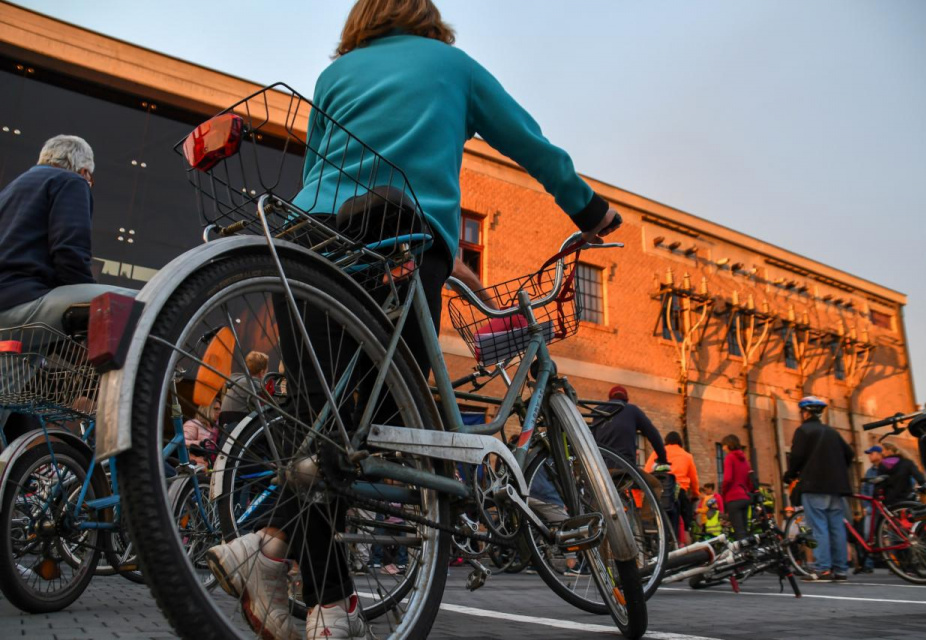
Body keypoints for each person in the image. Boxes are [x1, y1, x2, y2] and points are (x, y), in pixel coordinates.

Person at [205, 2, 623, 638]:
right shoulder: (452, 66)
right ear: (426, 17)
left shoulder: (333, 78)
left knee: (321, 421)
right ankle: (301, 584)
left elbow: (325, 167)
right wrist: (588, 210)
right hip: (399, 239)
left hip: (311, 243)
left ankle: (296, 579)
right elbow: (528, 142)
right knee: (380, 421)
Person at [0, 135, 136, 445]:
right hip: (25, 302)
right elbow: (70, 252)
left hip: (6, 313)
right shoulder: (70, 182)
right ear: (83, 170)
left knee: (5, 400)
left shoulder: (12, 189)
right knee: (138, 302)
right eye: (90, 176)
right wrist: (94, 315)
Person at [783, 396, 854, 583]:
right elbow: (850, 454)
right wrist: (837, 469)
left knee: (819, 527)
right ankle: (840, 570)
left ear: (805, 413)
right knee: (837, 527)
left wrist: (791, 474)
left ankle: (823, 569)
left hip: (814, 485)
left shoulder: (803, 431)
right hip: (836, 487)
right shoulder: (831, 432)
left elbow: (797, 456)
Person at [592, 385, 668, 468]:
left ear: (610, 398)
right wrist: (662, 458)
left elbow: (592, 440)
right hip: (625, 466)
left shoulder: (598, 411)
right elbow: (653, 434)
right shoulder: (632, 410)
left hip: (601, 468)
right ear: (626, 399)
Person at [645, 431, 700, 540]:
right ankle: (683, 541)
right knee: (685, 520)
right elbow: (694, 479)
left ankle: (660, 543)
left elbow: (647, 471)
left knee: (659, 518)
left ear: (666, 441)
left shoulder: (657, 452)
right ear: (680, 442)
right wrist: (695, 494)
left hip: (661, 489)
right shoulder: (687, 456)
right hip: (679, 491)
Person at [854, 445, 884, 574]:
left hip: (885, 506)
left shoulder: (885, 468)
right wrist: (866, 506)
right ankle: (868, 564)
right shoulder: (869, 471)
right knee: (868, 535)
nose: (870, 456)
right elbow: (864, 489)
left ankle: (898, 564)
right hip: (872, 507)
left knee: (891, 535)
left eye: (872, 453)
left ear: (879, 454)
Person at [220, 351, 270, 426]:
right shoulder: (254, 384)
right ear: (262, 372)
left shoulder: (239, 381)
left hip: (224, 420)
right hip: (238, 419)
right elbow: (266, 408)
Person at [720, 434, 754, 541]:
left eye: (724, 445)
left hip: (733, 498)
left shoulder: (729, 458)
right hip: (745, 497)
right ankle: (749, 553)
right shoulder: (745, 460)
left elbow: (728, 479)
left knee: (739, 532)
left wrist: (723, 491)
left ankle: (743, 555)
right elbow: (750, 481)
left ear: (729, 445)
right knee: (744, 529)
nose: (723, 448)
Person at [876, 442, 926, 507]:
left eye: (882, 450)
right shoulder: (907, 462)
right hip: (907, 499)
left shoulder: (882, 465)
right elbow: (920, 478)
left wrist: (876, 496)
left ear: (889, 450)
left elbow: (879, 484)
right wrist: (923, 489)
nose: (881, 453)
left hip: (890, 503)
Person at [183, 400, 222, 468]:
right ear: (206, 409)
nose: (219, 412)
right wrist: (201, 443)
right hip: (195, 466)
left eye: (220, 409)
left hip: (211, 467)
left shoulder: (216, 428)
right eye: (216, 409)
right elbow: (182, 442)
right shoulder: (193, 423)